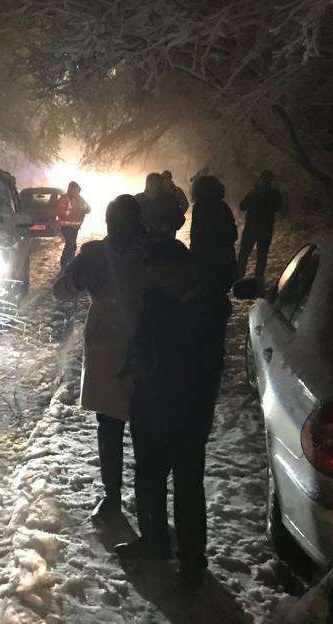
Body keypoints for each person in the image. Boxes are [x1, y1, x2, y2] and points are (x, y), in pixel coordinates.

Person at [115, 240, 229, 591]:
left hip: (187, 410)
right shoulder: (155, 298)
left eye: (166, 275)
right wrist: (132, 365)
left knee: (187, 486)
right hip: (150, 405)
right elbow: (143, 339)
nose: (160, 281)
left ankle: (192, 562)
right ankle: (154, 541)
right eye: (155, 275)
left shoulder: (209, 306)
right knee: (148, 477)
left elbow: (199, 361)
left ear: (184, 269)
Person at [54, 195, 147, 525]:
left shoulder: (96, 255)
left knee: (111, 423)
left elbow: (62, 291)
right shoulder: (156, 252)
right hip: (148, 345)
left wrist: (76, 276)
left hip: (111, 343)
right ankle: (145, 502)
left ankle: (113, 497)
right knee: (142, 426)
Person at [189, 174, 238, 298]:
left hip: (205, 260)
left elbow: (195, 237)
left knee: (207, 295)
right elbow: (232, 234)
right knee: (220, 295)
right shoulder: (222, 207)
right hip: (222, 259)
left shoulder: (199, 208)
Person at [238, 170, 283, 279]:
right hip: (265, 229)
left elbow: (242, 206)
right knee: (261, 256)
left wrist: (254, 194)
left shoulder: (254, 192)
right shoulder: (275, 194)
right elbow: (278, 207)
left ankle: (239, 278)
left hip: (252, 228)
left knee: (244, 254)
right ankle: (257, 279)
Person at [135, 173, 184, 241]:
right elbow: (131, 220)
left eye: (156, 183)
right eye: (152, 183)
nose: (154, 186)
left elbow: (179, 219)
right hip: (145, 242)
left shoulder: (169, 200)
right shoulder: (138, 200)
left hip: (165, 240)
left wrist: (169, 226)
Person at [56, 181, 91, 271]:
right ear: (71, 189)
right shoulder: (64, 199)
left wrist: (83, 210)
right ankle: (65, 264)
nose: (77, 192)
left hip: (75, 227)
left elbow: (88, 208)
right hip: (66, 226)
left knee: (72, 245)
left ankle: (69, 264)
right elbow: (61, 212)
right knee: (70, 244)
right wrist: (75, 211)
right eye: (76, 190)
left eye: (78, 191)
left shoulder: (79, 198)